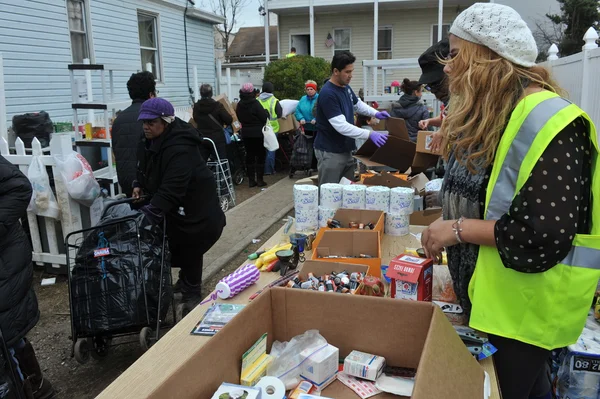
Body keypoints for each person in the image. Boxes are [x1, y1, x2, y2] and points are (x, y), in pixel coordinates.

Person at [420, 4, 599, 399]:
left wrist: (455, 230)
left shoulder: (551, 121)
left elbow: (542, 233)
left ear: (484, 58)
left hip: (523, 319)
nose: (447, 67)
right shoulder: (502, 112)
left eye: (454, 54)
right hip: (496, 311)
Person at [133, 98, 226, 316]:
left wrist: (149, 213)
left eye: (151, 122)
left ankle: (192, 293)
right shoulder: (148, 140)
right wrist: (137, 183)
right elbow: (142, 166)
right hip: (177, 205)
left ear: (165, 122)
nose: (146, 126)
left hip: (198, 206)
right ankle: (184, 282)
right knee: (176, 241)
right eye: (144, 122)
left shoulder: (180, 147)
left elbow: (172, 187)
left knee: (191, 243)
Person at [0, 155, 55, 399]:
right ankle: (37, 384)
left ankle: (31, 389)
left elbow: (19, 188)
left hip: (4, 259)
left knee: (7, 334)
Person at [314, 51, 390, 185]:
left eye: (351, 71)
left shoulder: (345, 87)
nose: (350, 76)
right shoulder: (328, 94)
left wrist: (375, 113)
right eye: (347, 72)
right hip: (330, 151)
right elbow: (341, 126)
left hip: (346, 149)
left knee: (347, 190)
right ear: (336, 71)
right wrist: (369, 134)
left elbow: (357, 104)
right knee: (329, 192)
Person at [112, 71, 156, 197]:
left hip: (126, 182)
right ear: (151, 94)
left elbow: (117, 152)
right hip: (149, 184)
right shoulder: (154, 119)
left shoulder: (118, 120)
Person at [235, 83, 270, 187]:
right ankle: (260, 180)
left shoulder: (240, 105)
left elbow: (239, 118)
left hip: (246, 133)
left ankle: (251, 180)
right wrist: (266, 113)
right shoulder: (255, 103)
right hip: (258, 133)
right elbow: (264, 117)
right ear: (252, 92)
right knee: (260, 155)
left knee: (249, 155)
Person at [192, 83, 233, 161]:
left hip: (202, 137)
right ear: (211, 93)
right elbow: (229, 120)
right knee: (221, 162)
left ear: (201, 93)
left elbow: (195, 119)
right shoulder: (218, 106)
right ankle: (220, 173)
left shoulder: (197, 106)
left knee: (202, 163)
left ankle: (205, 173)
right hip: (217, 138)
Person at [290, 80, 319, 178]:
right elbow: (298, 110)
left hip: (317, 128)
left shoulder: (319, 98)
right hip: (307, 127)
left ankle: (316, 166)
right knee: (307, 146)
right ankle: (308, 164)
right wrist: (301, 118)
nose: (310, 91)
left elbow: (322, 110)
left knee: (316, 147)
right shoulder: (303, 99)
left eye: (311, 89)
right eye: (308, 89)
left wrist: (316, 118)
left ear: (315, 89)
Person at [390, 78, 430, 142]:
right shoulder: (422, 108)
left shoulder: (395, 108)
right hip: (417, 144)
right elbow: (428, 131)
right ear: (416, 92)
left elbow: (389, 127)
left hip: (398, 144)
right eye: (421, 91)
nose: (421, 94)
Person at [258, 82, 282, 176]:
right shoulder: (274, 100)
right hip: (272, 129)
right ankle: (269, 170)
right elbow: (279, 114)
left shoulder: (257, 100)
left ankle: (259, 170)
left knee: (261, 150)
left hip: (260, 128)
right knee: (271, 149)